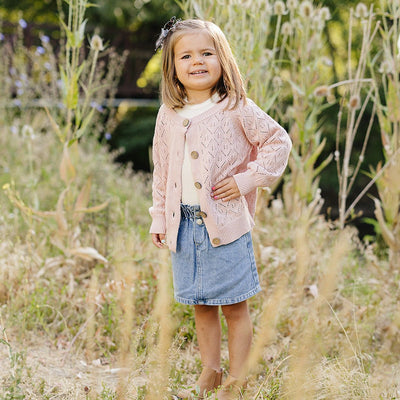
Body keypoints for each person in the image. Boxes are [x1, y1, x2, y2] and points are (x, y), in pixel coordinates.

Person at [150, 17, 292, 400]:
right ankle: (210, 371)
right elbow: (162, 170)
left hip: (226, 225)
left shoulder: (236, 107)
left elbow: (278, 142)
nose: (197, 61)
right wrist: (160, 217)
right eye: (186, 55)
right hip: (184, 226)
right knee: (200, 303)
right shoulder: (169, 114)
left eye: (207, 53)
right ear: (172, 66)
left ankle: (239, 378)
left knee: (234, 305)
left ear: (222, 59)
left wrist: (248, 179)